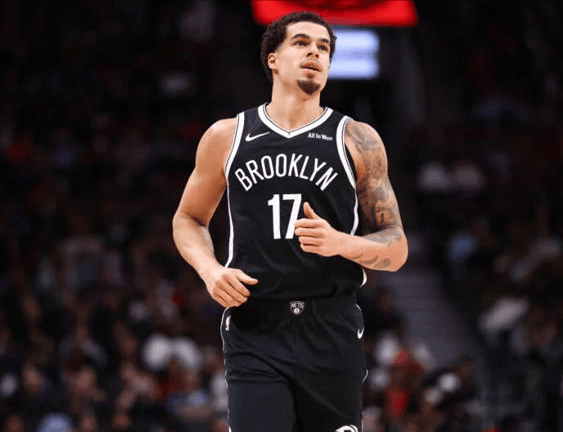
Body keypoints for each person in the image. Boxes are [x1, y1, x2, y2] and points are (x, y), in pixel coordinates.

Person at [172, 10, 408, 432]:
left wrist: (341, 242)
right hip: (256, 323)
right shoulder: (227, 136)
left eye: (324, 48)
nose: (315, 52)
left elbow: (397, 247)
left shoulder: (358, 139)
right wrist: (210, 270)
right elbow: (188, 218)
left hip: (330, 325)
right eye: (301, 43)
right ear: (273, 59)